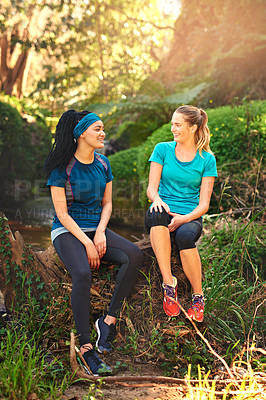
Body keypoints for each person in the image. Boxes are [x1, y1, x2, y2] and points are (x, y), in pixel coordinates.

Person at [44, 110, 143, 375]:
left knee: (134, 255)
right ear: (81, 133)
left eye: (103, 129)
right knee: (82, 273)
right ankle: (86, 348)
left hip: (96, 228)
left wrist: (100, 233)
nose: (103, 133)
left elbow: (107, 203)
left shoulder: (103, 163)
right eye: (97, 129)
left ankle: (107, 322)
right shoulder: (61, 168)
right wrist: (87, 244)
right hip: (67, 231)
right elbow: (62, 215)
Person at [145, 105, 217, 322]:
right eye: (172, 124)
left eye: (178, 124)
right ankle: (169, 284)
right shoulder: (162, 149)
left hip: (189, 215)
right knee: (157, 216)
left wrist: (183, 219)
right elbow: (151, 189)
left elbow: (204, 204)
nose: (173, 128)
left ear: (193, 127)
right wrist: (157, 200)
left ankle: (198, 296)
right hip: (162, 209)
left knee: (185, 237)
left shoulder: (206, 159)